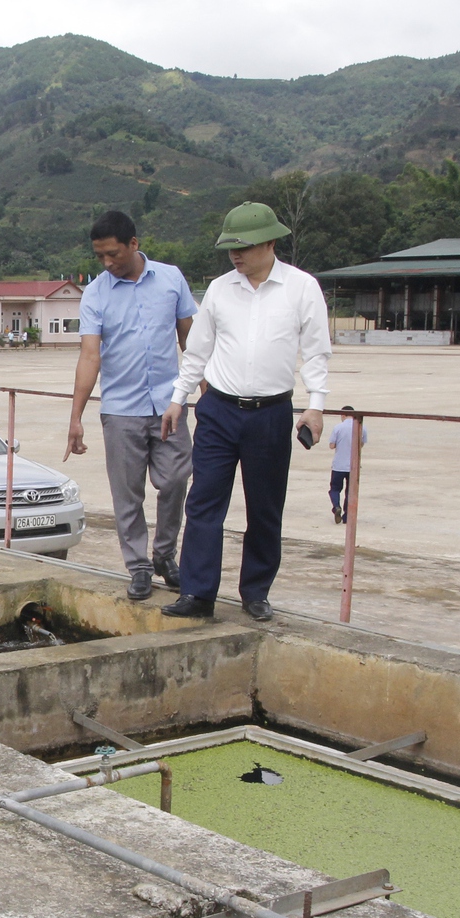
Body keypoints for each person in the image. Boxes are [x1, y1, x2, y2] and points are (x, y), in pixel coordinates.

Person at [159, 201, 331, 622]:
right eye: (230, 248)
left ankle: (256, 592)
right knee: (203, 502)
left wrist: (316, 406)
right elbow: (197, 351)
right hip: (218, 409)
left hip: (271, 413)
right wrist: (178, 399)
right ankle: (198, 593)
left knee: (265, 506)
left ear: (270, 243)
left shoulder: (301, 287)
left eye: (245, 247)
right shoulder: (219, 288)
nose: (236, 256)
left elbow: (316, 353)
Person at [64, 210, 197, 602]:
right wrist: (76, 417)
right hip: (121, 409)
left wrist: (206, 391)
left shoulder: (171, 278)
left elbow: (192, 341)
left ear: (134, 245)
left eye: (113, 254)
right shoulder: (96, 293)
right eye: (100, 256)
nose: (107, 263)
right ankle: (139, 566)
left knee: (175, 480)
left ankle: (164, 553)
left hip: (170, 405)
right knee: (128, 493)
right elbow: (90, 356)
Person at [327, 405, 366, 525]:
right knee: (350, 491)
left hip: (339, 464)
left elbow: (332, 445)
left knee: (335, 489)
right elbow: (362, 444)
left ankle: (336, 506)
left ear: (343, 415)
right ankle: (347, 517)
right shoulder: (361, 427)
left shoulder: (338, 427)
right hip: (353, 466)